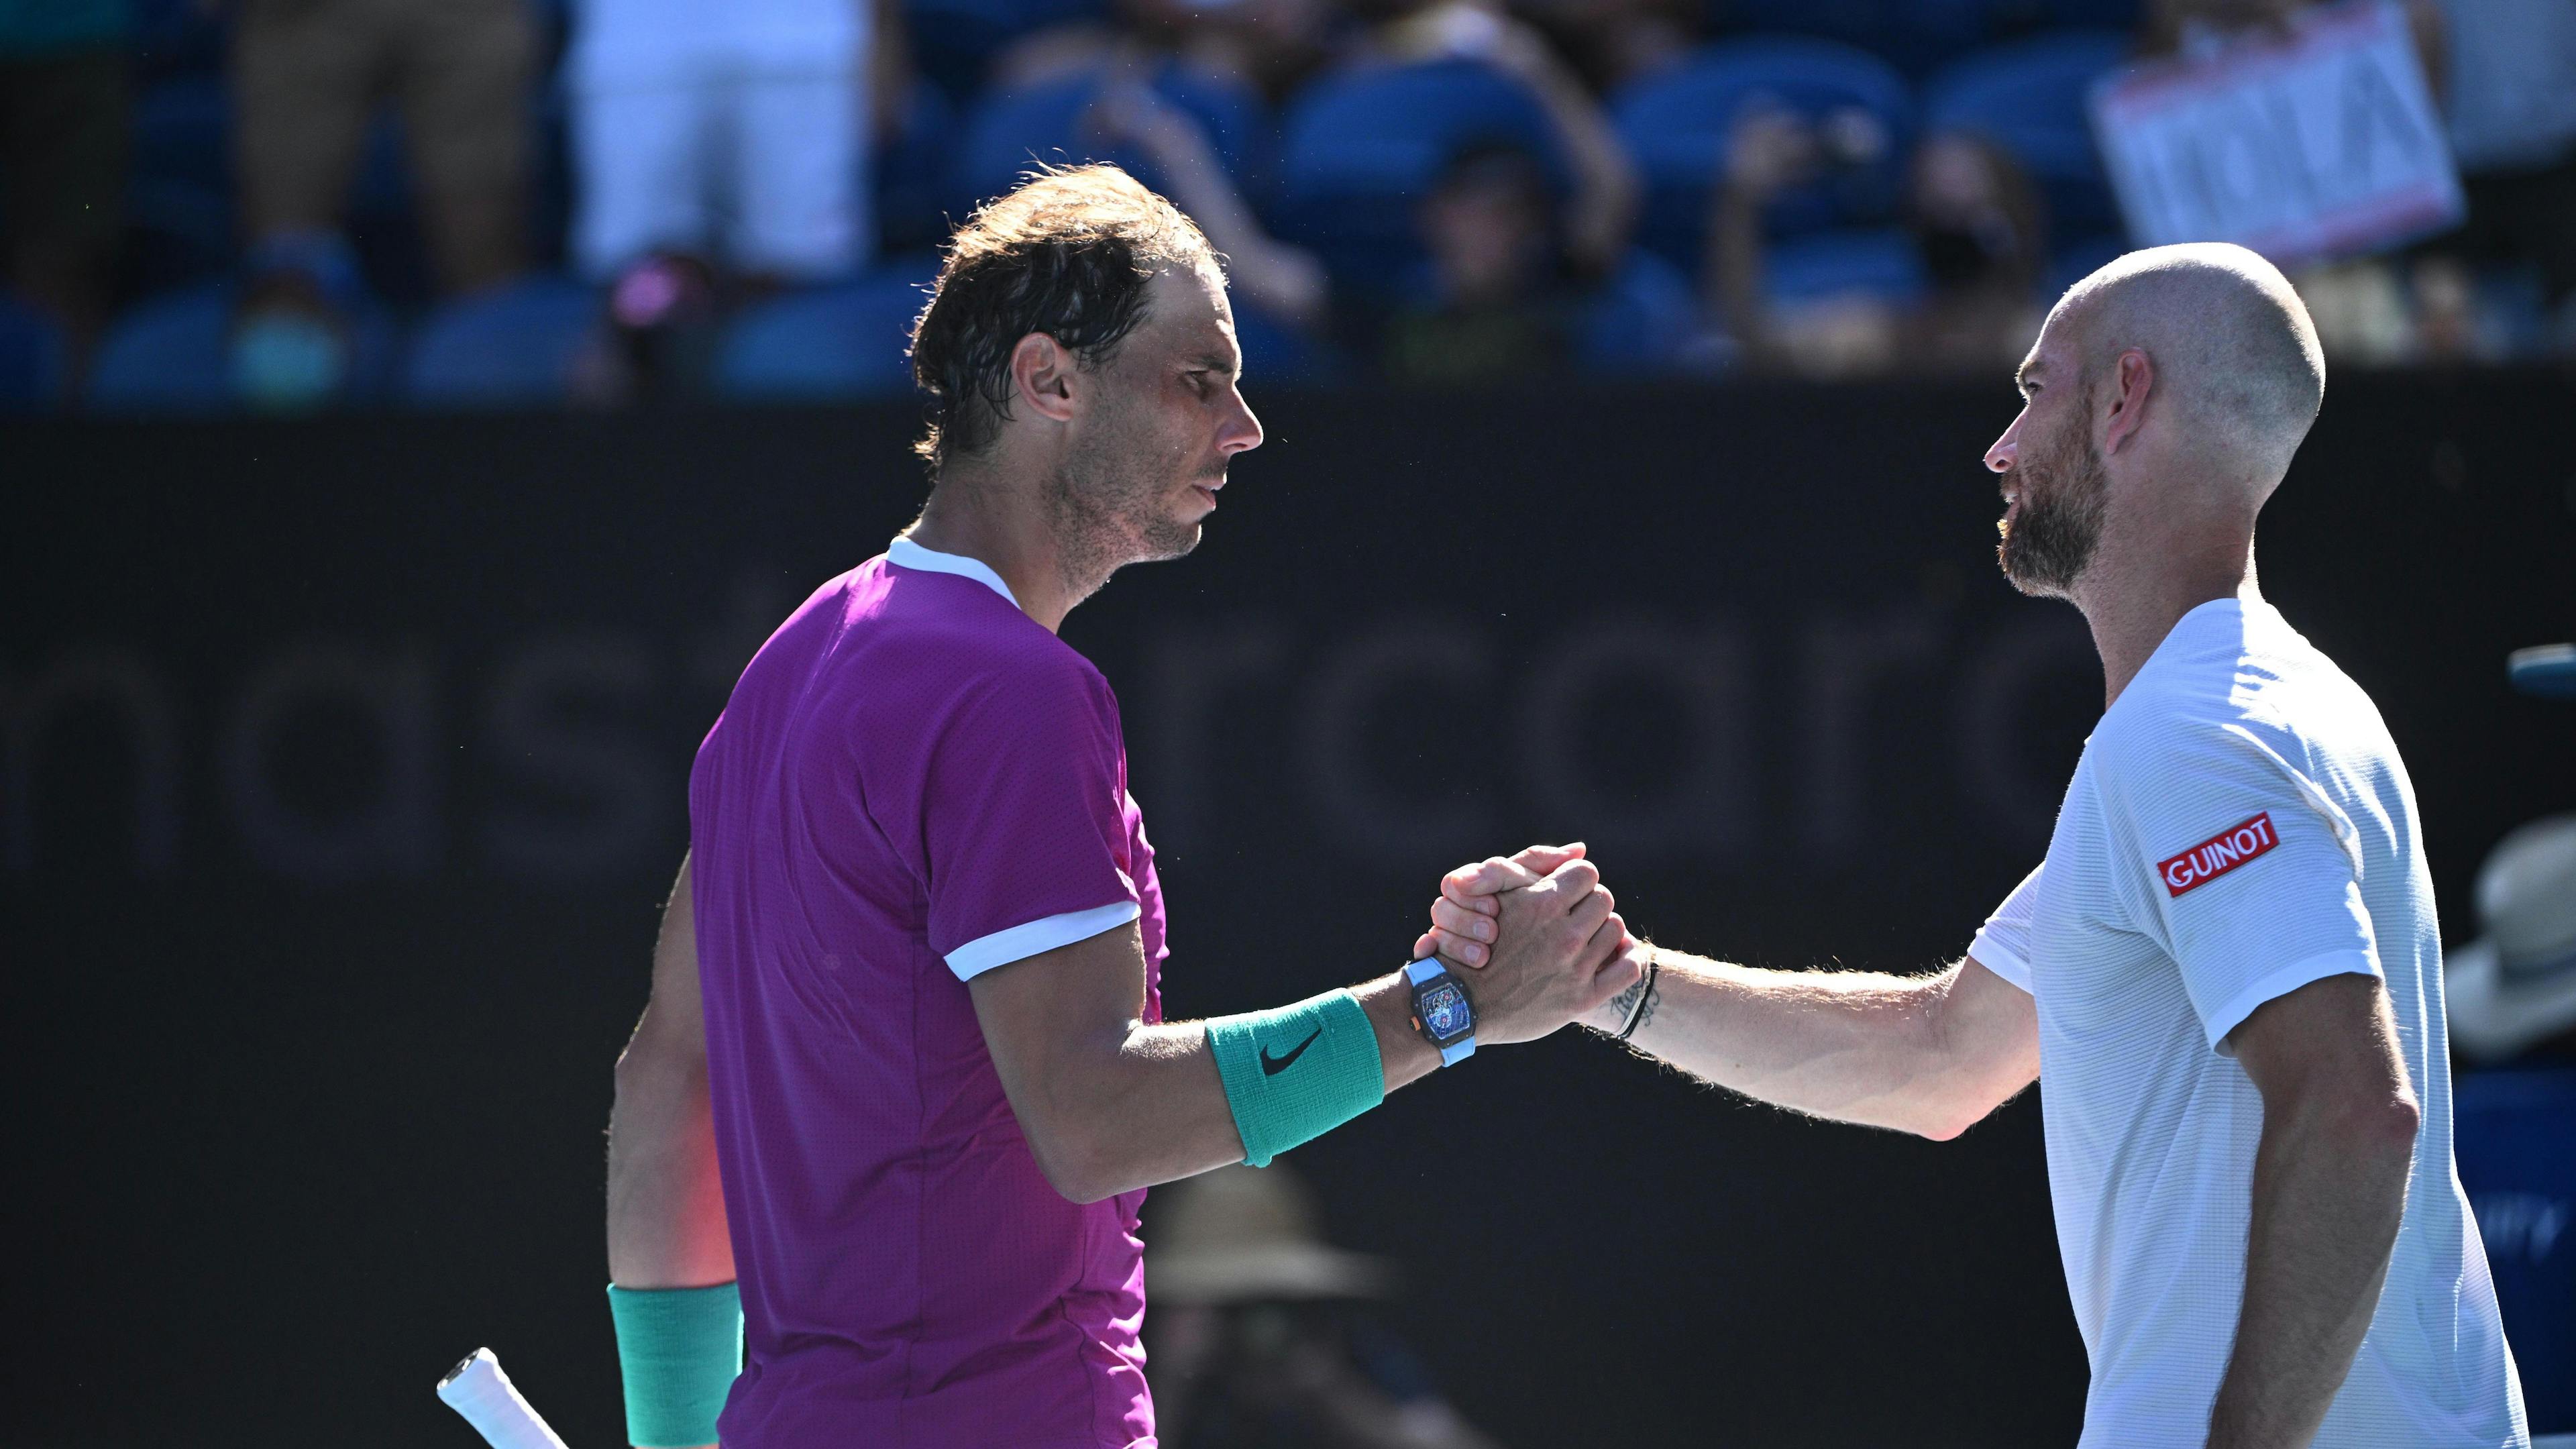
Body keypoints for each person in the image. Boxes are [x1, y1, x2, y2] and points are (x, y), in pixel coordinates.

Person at [1422, 243, 2530, 1446]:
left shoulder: (2196, 738)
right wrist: (1611, 984)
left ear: (2124, 399)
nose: (1999, 448)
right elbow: (1945, 1058)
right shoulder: (2267, 712)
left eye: (2033, 391)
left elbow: (2357, 1111)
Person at [602, 164, 1636, 1449]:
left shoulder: (793, 665)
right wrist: (1456, 1008)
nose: (1247, 425)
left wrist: (670, 1439)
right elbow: (1093, 1121)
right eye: (1199, 378)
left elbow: (669, 1079)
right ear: (1050, 382)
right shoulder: (1009, 690)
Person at [227, 0, 535, 405]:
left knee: (486, 270)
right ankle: (278, 446)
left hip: (467, 13)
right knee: (286, 266)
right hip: (299, 15)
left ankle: (497, 438)